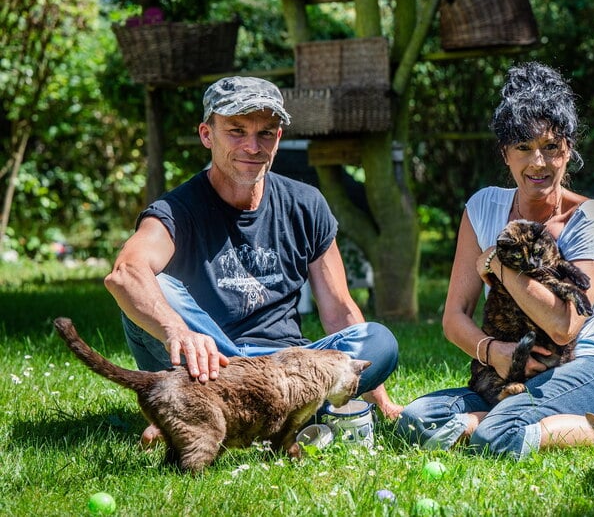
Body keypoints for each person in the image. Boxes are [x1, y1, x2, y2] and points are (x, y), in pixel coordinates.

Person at [104, 76, 401, 446]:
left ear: (278, 138)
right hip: (211, 366)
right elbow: (124, 273)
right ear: (206, 134)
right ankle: (272, 411)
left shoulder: (306, 204)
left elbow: (340, 310)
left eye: (266, 133)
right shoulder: (175, 211)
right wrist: (179, 331)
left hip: (285, 368)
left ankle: (225, 415)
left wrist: (382, 402)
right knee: (154, 289)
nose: (252, 146)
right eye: (236, 131)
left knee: (379, 339)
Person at [396, 62, 594, 458]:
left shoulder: (589, 218)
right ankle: (492, 423)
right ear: (504, 153)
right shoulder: (482, 207)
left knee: (499, 435)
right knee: (415, 420)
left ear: (569, 149)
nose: (538, 163)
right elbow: (453, 317)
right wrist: (496, 353)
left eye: (550, 147)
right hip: (510, 370)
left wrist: (503, 268)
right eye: (524, 147)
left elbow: (564, 326)